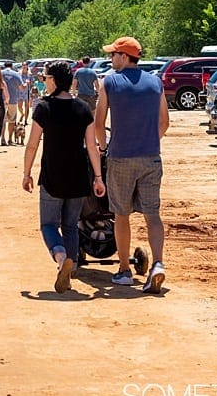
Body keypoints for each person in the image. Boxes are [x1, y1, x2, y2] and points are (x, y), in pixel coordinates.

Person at [94, 36, 170, 293]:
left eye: (113, 55)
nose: (110, 59)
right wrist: (148, 140)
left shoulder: (110, 82)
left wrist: (103, 148)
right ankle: (158, 265)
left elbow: (98, 121)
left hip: (121, 157)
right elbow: (164, 122)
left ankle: (125, 270)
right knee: (152, 215)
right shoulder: (155, 82)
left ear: (124, 57)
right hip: (151, 156)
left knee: (121, 214)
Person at [22, 61, 105, 293]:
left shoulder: (44, 107)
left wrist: (26, 173)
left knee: (48, 224)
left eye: (46, 78)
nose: (44, 81)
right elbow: (91, 146)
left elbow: (32, 145)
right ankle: (73, 266)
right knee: (70, 225)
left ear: (55, 80)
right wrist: (98, 177)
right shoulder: (82, 108)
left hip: (52, 176)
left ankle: (61, 259)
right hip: (79, 176)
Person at [1, 62, 25, 145]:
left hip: (2, 100)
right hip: (13, 99)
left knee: (2, 120)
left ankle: (2, 138)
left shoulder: (0, 74)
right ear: (12, 66)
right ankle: (10, 139)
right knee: (12, 120)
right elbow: (22, 88)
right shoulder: (16, 74)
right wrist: (26, 84)